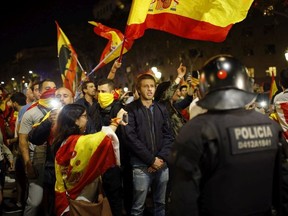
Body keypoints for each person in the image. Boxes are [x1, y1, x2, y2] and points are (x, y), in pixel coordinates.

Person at [169, 54, 287, 216]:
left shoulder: (195, 130)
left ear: (203, 89)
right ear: (245, 85)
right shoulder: (271, 127)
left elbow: (183, 202)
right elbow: (282, 190)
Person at [52, 103, 127, 216]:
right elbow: (102, 139)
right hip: (80, 195)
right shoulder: (77, 142)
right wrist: (116, 121)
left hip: (70, 194)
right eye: (85, 116)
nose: (87, 120)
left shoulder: (64, 141)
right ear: (75, 121)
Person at [124, 73, 174, 216]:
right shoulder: (130, 109)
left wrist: (160, 158)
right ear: (138, 89)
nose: (150, 89)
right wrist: (151, 160)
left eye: (152, 86)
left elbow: (168, 135)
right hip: (140, 166)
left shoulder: (161, 108)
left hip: (162, 165)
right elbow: (130, 138)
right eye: (146, 86)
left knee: (161, 204)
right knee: (138, 207)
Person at [18, 79, 56, 216]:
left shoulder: (62, 110)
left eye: (54, 88)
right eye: (47, 88)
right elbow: (23, 140)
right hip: (38, 159)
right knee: (35, 201)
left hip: (56, 161)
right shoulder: (30, 113)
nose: (51, 91)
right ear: (39, 93)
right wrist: (28, 163)